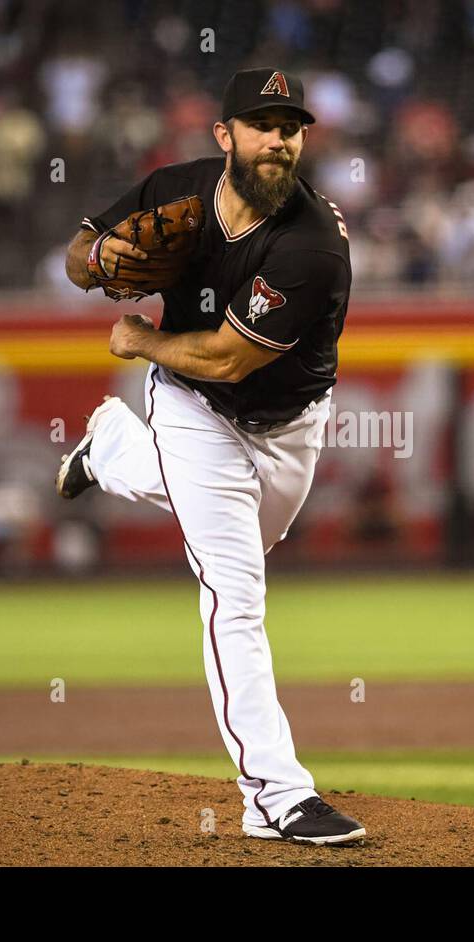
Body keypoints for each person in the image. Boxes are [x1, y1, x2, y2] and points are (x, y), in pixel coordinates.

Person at [58, 68, 364, 845]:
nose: (277, 139)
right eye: (260, 124)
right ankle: (275, 795)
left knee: (251, 543)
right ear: (223, 135)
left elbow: (230, 359)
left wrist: (142, 339)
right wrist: (98, 263)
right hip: (192, 411)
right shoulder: (177, 191)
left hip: (287, 421)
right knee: (235, 593)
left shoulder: (312, 245)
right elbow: (78, 250)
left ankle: (114, 449)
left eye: (290, 127)